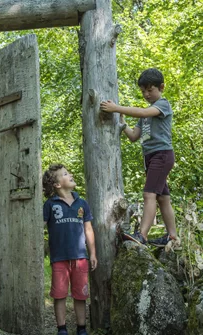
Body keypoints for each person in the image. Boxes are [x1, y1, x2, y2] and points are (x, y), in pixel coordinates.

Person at [100, 67, 178, 247]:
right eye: (143, 91)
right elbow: (134, 136)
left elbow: (143, 112)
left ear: (161, 88)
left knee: (148, 194)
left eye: (150, 90)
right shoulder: (145, 116)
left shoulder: (162, 105)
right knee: (162, 197)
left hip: (162, 155)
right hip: (151, 158)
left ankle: (142, 235)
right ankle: (172, 237)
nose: (146, 94)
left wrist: (116, 108)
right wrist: (122, 123)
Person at [43, 164, 97, 335]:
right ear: (57, 184)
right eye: (65, 174)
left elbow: (88, 229)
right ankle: (62, 329)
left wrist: (93, 253)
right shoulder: (50, 205)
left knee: (81, 295)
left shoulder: (82, 203)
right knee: (59, 294)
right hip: (59, 257)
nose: (71, 174)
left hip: (81, 257)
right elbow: (40, 226)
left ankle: (81, 328)